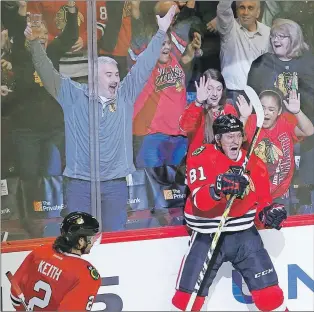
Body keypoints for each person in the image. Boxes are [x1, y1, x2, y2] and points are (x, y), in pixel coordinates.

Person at [24, 5, 178, 232]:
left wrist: (160, 32)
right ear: (94, 78)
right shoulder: (73, 95)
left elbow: (144, 65)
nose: (116, 78)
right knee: (78, 241)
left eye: (117, 74)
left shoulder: (124, 95)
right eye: (109, 75)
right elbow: (46, 72)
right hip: (79, 186)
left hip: (115, 187)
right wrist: (35, 45)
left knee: (114, 243)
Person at [171, 114, 288, 311]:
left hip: (244, 236)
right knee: (186, 302)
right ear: (218, 140)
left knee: (270, 297)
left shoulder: (255, 164)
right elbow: (199, 201)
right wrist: (217, 190)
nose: (234, 140)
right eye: (228, 136)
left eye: (237, 135)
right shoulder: (201, 156)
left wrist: (269, 213)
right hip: (208, 237)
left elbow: (262, 203)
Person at [10, 212, 102, 311]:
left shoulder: (41, 251)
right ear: (80, 241)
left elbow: (15, 295)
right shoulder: (85, 275)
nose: (93, 241)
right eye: (92, 237)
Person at [244, 88, 314, 204]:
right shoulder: (251, 121)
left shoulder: (285, 121)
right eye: (262, 108)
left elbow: (309, 131)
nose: (265, 112)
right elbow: (235, 139)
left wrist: (297, 112)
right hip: (253, 192)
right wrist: (243, 117)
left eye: (271, 109)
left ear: (279, 111)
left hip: (281, 192)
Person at [179, 68, 252, 152]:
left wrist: (243, 118)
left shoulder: (228, 109)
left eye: (218, 89)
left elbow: (234, 139)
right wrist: (198, 102)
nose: (215, 94)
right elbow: (185, 127)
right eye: (210, 88)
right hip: (199, 161)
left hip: (221, 161)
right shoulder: (197, 109)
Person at [216, 0, 270, 111]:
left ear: (258, 12)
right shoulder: (229, 28)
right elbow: (223, 9)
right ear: (236, 10)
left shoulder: (268, 33)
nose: (245, 12)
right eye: (242, 7)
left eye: (250, 8)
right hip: (232, 93)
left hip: (260, 95)